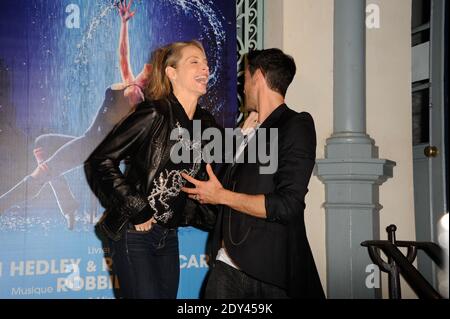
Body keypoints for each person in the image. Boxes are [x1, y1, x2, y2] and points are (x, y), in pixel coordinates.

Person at [181, 48, 325, 299]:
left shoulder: (296, 124)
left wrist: (222, 196)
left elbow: (287, 205)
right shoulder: (249, 132)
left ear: (257, 77)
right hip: (226, 265)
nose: (242, 87)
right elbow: (228, 181)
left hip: (269, 273)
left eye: (244, 78)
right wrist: (241, 139)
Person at [84, 39, 219, 299]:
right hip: (134, 232)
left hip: (168, 236)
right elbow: (100, 160)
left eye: (206, 63)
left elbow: (220, 169)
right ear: (172, 72)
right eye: (195, 62)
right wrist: (136, 206)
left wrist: (248, 134)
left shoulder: (206, 123)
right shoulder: (153, 113)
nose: (205, 68)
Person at [0, 0, 150, 229]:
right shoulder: (128, 82)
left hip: (92, 150)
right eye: (147, 67)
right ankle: (69, 205)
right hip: (86, 143)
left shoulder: (139, 100)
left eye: (150, 71)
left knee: (41, 174)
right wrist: (124, 23)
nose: (145, 69)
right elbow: (122, 53)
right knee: (43, 142)